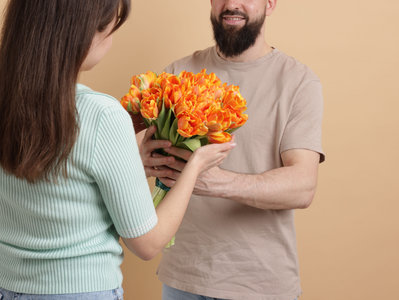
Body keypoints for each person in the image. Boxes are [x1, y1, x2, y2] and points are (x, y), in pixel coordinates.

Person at [0, 1, 235, 299]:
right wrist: (195, 166)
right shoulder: (102, 115)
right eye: (110, 29)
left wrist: (126, 164)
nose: (111, 40)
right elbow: (148, 244)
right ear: (81, 34)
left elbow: (48, 178)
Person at [138, 0, 325, 299]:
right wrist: (140, 161)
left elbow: (303, 186)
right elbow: (134, 154)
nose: (231, 4)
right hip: (182, 280)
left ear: (271, 4)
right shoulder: (176, 74)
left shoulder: (299, 81)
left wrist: (215, 182)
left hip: (261, 285)